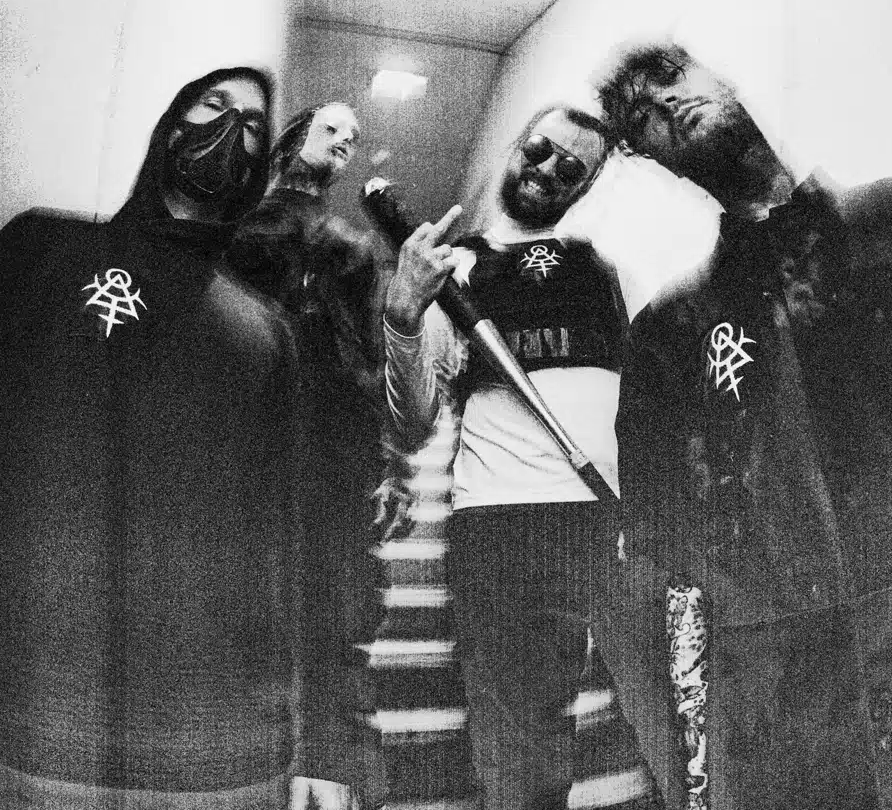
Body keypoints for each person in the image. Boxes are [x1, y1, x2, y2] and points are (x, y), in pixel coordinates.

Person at [596, 42, 892, 809]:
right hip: (803, 705)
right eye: (640, 116)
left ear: (721, 76)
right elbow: (663, 539)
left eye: (670, 76)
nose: (665, 103)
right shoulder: (670, 330)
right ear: (644, 155)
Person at [0, 68, 309, 809]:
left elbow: (282, 533)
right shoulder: (43, 250)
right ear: (170, 125)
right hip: (37, 714)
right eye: (213, 105)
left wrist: (308, 731)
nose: (230, 128)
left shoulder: (264, 330)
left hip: (207, 734)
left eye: (253, 126)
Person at [382, 106, 633, 810]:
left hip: (603, 516)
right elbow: (413, 422)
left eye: (570, 167)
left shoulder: (605, 270)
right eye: (540, 149)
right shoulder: (456, 267)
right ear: (516, 146)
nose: (547, 170)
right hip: (500, 523)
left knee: (638, 709)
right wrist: (403, 316)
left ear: (585, 186)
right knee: (520, 739)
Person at [227, 101, 414, 810]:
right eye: (331, 129)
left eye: (354, 138)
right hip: (249, 443)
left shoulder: (350, 245)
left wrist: (393, 461)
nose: (345, 141)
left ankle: (328, 773)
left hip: (334, 445)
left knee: (337, 607)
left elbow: (366, 354)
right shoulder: (240, 230)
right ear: (291, 139)